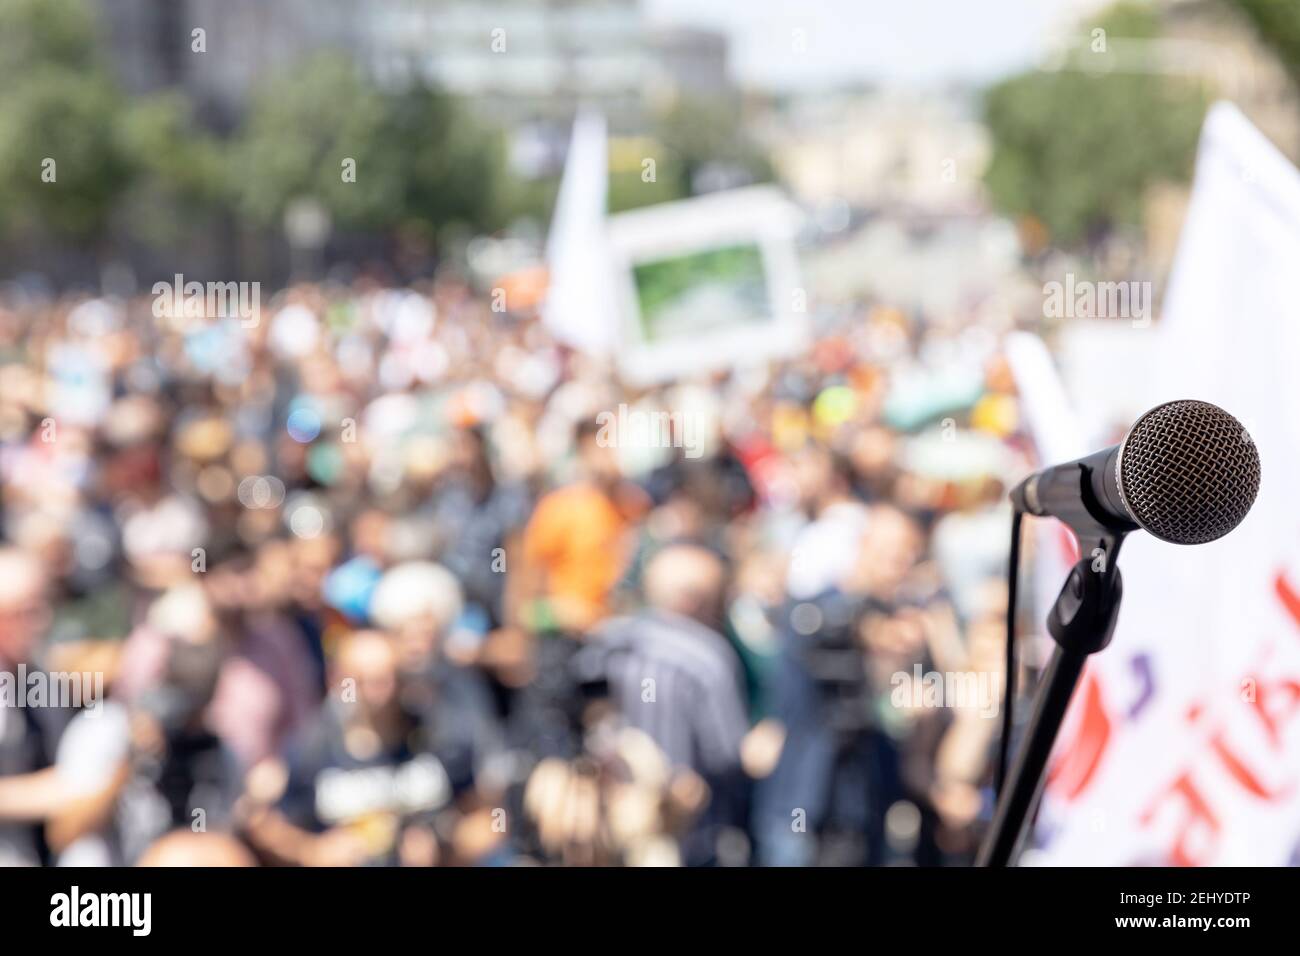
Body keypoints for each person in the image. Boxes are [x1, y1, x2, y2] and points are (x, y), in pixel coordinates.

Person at [576, 543, 751, 864]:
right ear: (694, 601)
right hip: (686, 835)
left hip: (606, 834)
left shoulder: (600, 642)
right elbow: (728, 756)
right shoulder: (708, 655)